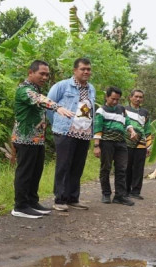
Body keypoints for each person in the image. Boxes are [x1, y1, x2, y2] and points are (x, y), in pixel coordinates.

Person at [11, 60, 74, 219]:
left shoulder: (35, 89)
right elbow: (39, 99)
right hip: (25, 139)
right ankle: (20, 206)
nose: (45, 77)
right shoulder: (24, 90)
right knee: (25, 173)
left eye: (47, 74)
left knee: (36, 172)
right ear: (30, 72)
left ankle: (32, 202)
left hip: (37, 139)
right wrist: (57, 107)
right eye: (42, 74)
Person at [47, 58, 96, 211]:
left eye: (88, 69)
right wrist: (57, 122)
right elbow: (48, 105)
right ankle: (60, 200)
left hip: (84, 132)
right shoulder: (62, 86)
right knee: (64, 165)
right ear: (75, 70)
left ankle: (73, 198)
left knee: (77, 166)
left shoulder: (91, 88)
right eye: (83, 69)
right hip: (65, 131)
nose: (86, 72)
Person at [94, 86, 137, 206]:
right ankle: (106, 194)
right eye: (113, 99)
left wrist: (132, 131)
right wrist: (96, 146)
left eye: (117, 99)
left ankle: (120, 196)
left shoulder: (121, 109)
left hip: (121, 143)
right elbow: (97, 128)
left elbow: (127, 122)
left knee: (121, 169)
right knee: (106, 168)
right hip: (106, 143)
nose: (115, 102)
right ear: (106, 97)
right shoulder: (101, 111)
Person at [124, 89, 150, 200]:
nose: (138, 99)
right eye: (136, 96)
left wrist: (148, 146)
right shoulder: (124, 110)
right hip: (126, 143)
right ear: (130, 97)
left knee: (138, 169)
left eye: (140, 97)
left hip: (141, 144)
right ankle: (125, 191)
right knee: (126, 167)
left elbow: (148, 129)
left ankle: (135, 192)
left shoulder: (145, 112)